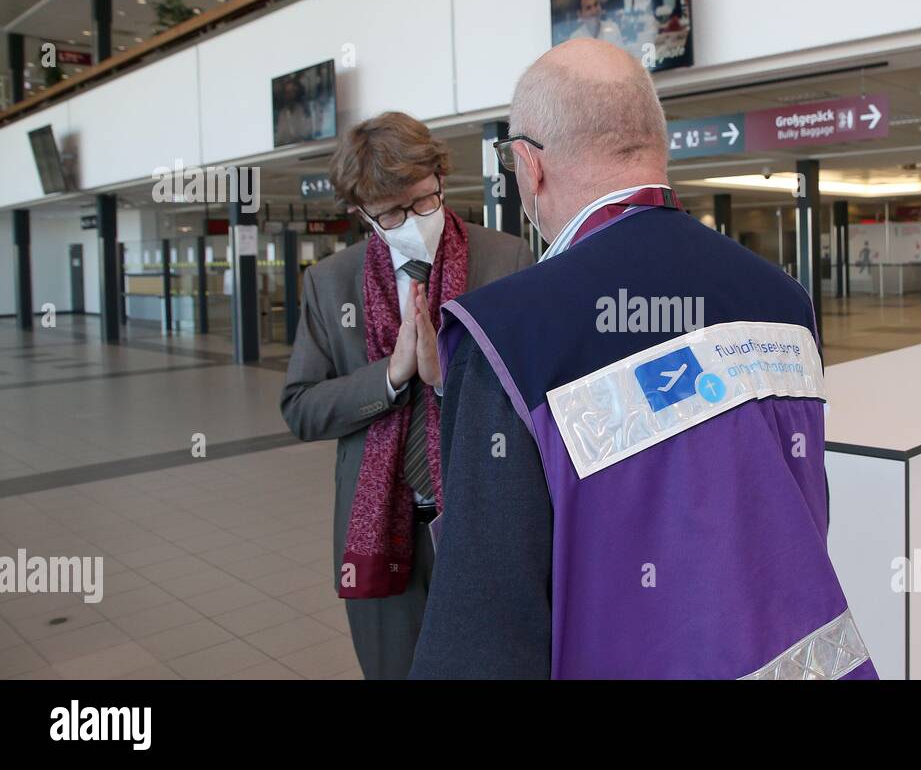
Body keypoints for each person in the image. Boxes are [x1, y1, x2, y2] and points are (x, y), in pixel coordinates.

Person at [408, 40, 879, 680]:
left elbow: (484, 628)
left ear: (529, 164)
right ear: (655, 144)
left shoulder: (510, 336)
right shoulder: (783, 299)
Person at [280, 111, 531, 679]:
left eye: (423, 201)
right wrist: (390, 377)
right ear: (361, 213)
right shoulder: (330, 283)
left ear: (441, 179)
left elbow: (534, 400)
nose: (414, 221)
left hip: (478, 517)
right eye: (391, 213)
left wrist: (446, 378)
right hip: (380, 532)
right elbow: (301, 408)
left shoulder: (505, 260)